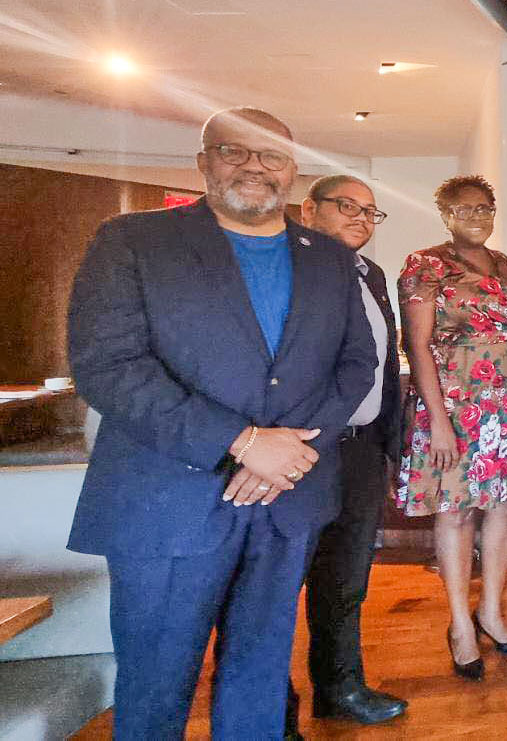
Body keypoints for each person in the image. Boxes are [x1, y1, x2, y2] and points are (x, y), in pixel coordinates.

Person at [65, 107, 377, 738]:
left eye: (273, 157)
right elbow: (108, 366)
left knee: (259, 674)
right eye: (236, 152)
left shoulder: (330, 260)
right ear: (203, 162)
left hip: (289, 499)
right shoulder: (131, 241)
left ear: (293, 172)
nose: (255, 167)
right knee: (156, 682)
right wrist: (242, 443)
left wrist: (288, 454)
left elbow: (356, 364)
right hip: (169, 501)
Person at [397, 174, 507, 681]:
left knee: (503, 508)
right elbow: (418, 345)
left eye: (485, 208)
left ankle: (491, 613)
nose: (477, 217)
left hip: (506, 401)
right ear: (446, 214)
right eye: (466, 209)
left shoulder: (505, 266)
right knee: (455, 512)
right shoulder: (425, 265)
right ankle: (459, 625)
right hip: (452, 404)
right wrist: (438, 422)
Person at [283, 175, 406, 728]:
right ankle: (271, 705)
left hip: (360, 448)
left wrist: (389, 441)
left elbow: (382, 362)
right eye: (347, 207)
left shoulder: (370, 274)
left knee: (345, 578)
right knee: (278, 581)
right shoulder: (283, 265)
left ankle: (340, 689)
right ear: (310, 209)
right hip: (300, 448)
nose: (360, 218)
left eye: (370, 212)